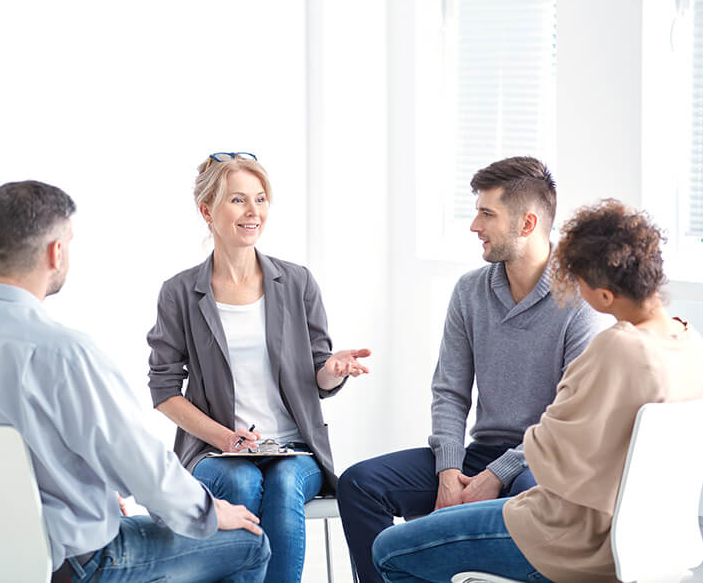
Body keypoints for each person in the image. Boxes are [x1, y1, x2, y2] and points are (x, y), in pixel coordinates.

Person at [0, 180, 270, 583]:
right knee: (250, 544)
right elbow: (140, 465)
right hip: (71, 565)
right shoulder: (61, 351)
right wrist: (208, 511)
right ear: (55, 251)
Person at [371, 198, 703, 582]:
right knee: (444, 518)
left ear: (605, 296)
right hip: (649, 540)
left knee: (389, 549)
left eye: (578, 279)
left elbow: (545, 454)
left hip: (569, 539)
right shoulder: (690, 342)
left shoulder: (618, 347)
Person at [337, 156, 603, 582]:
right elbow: (450, 391)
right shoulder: (470, 291)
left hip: (542, 461)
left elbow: (569, 420)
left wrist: (496, 476)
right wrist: (448, 470)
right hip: (478, 453)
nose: (474, 225)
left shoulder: (581, 302)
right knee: (359, 484)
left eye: (487, 214)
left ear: (528, 223)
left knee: (528, 497)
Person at [147, 152, 371, 583]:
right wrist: (227, 439)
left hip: (293, 447)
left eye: (261, 199)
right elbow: (164, 391)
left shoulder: (297, 281)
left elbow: (318, 377)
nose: (254, 212)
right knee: (241, 484)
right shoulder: (178, 293)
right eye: (238, 200)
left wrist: (334, 369)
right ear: (207, 211)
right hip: (214, 450)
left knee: (286, 484)